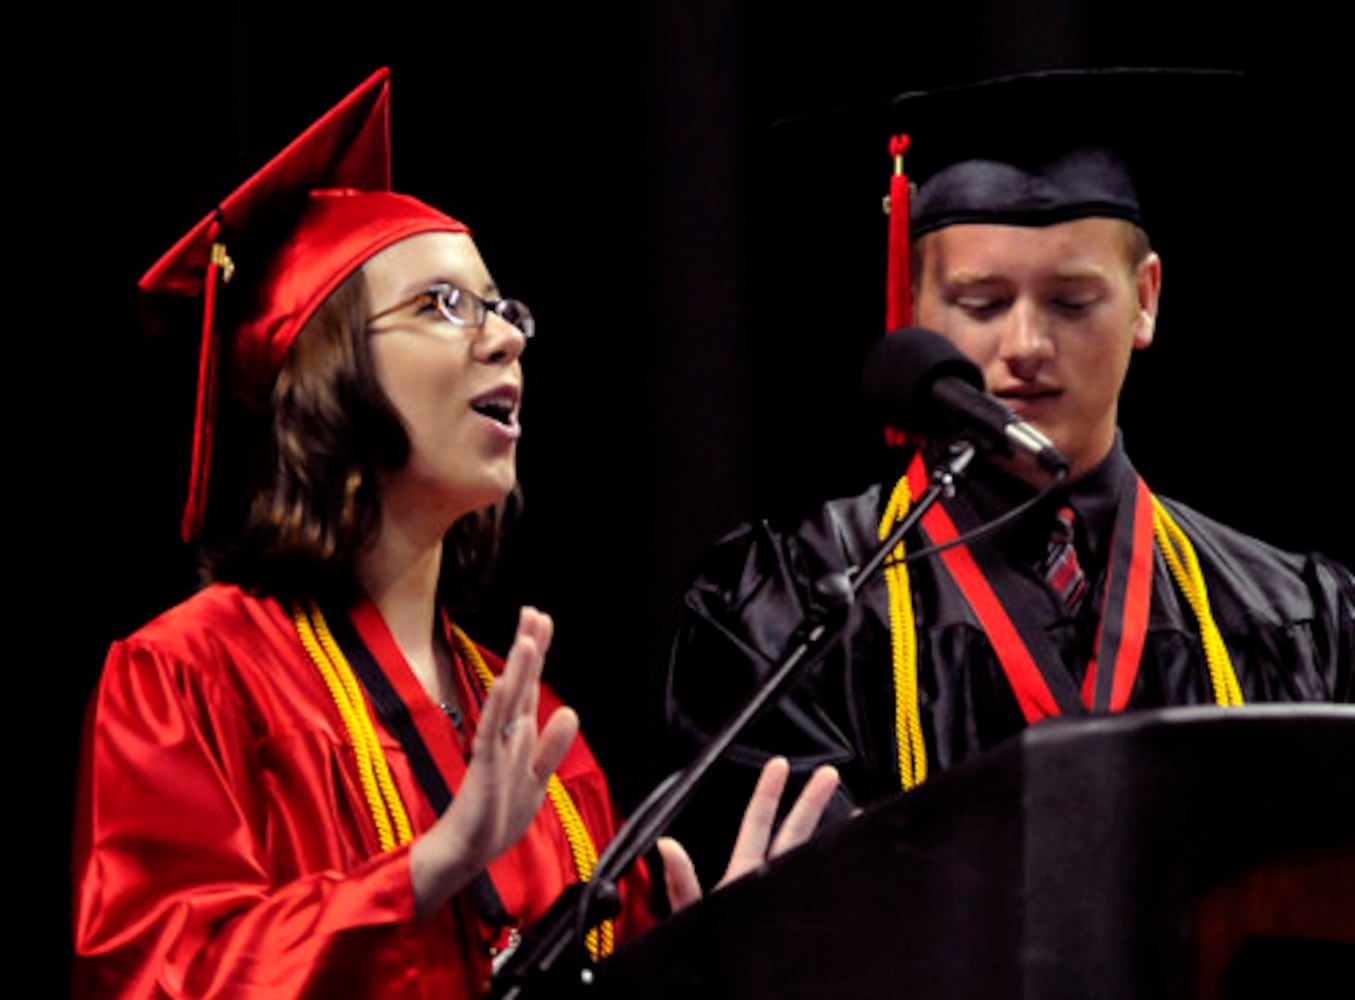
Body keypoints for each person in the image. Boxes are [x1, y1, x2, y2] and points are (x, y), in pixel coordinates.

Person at [71, 67, 838, 999]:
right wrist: (426, 871)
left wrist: (716, 952)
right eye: (441, 306)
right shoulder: (191, 676)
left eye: (501, 308)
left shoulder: (523, 722)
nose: (506, 339)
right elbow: (155, 978)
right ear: (327, 378)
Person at [663, 67, 1355, 884]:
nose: (1025, 345)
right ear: (912, 307)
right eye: (982, 302)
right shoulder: (792, 607)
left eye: (1070, 301)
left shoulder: (1295, 615)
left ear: (1144, 300)